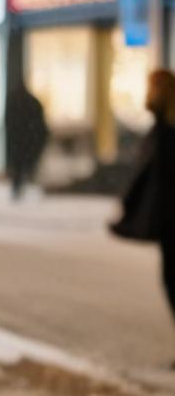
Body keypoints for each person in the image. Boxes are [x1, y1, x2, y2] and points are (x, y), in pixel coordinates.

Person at [114, 70, 175, 354]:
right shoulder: (163, 127)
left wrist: (130, 204)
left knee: (172, 282)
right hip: (168, 217)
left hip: (169, 219)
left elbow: (150, 175)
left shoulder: (164, 129)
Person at [6, 81, 49, 201]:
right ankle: (21, 186)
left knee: (19, 166)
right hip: (26, 141)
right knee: (23, 166)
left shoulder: (14, 103)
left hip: (20, 141)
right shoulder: (33, 102)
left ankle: (19, 187)